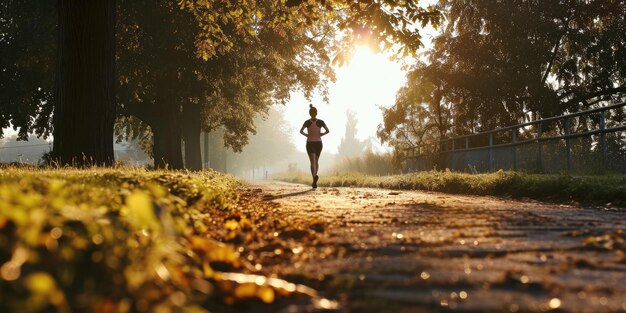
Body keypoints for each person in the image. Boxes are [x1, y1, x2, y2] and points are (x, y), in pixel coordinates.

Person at [300, 104, 329, 189]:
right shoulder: (321, 122)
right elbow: (327, 130)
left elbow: (301, 131)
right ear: (316, 113)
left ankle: (314, 179)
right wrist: (321, 134)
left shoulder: (307, 122)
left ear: (309, 113)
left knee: (312, 162)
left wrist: (307, 135)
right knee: (316, 161)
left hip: (310, 143)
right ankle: (315, 178)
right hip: (318, 143)